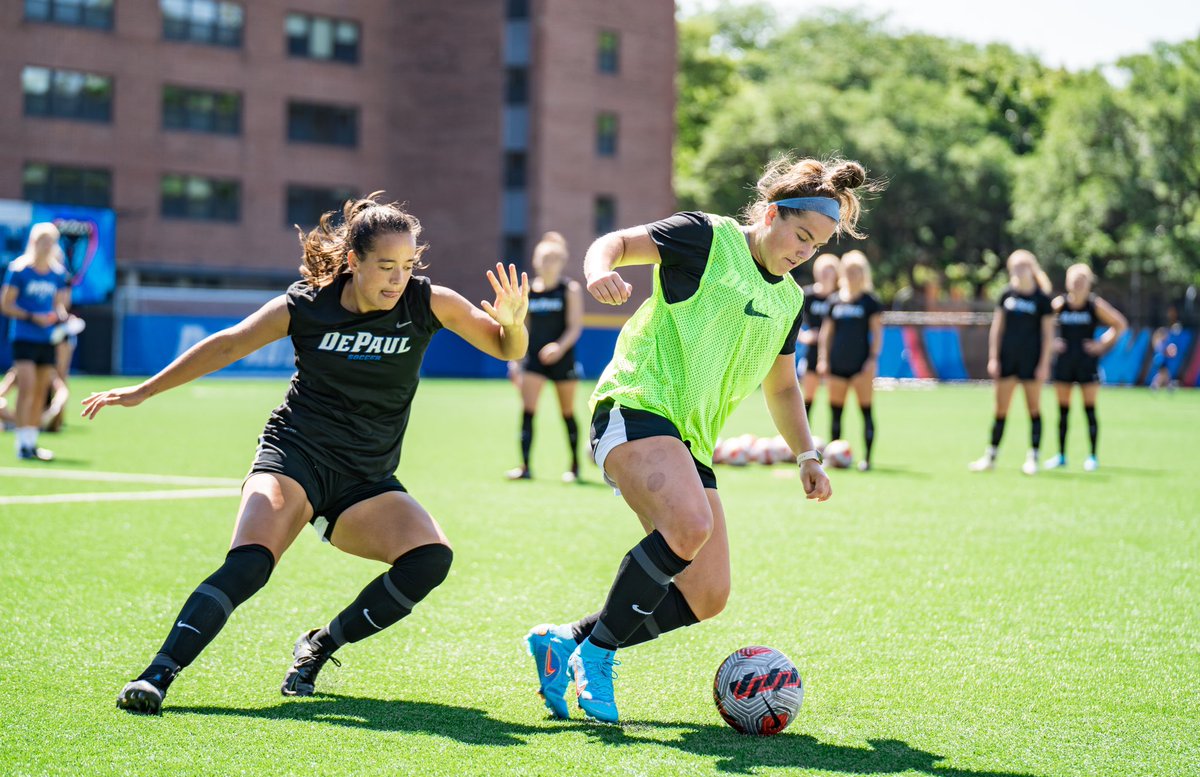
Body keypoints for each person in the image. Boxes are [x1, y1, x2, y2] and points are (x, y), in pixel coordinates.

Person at [81, 195, 529, 715]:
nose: (398, 279)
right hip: (294, 455)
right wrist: (143, 391)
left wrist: (514, 323)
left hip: (365, 478)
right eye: (386, 265)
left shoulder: (429, 303)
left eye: (408, 265)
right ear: (354, 261)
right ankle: (157, 675)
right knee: (251, 563)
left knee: (430, 559)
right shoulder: (307, 305)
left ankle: (320, 645)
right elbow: (227, 344)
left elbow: (508, 348)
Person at [524, 154, 873, 723]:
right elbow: (614, 243)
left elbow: (782, 387)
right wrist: (598, 271)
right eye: (801, 236)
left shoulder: (789, 300)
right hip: (636, 403)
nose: (804, 253)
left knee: (707, 595)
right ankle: (599, 654)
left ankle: (567, 642)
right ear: (771, 214)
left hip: (690, 441)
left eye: (815, 246)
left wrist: (807, 454)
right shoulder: (706, 237)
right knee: (688, 526)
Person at [505, 231, 584, 481]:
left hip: (563, 359)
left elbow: (574, 327)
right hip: (534, 360)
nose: (548, 264)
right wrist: (515, 361)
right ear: (536, 261)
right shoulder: (528, 291)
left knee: (567, 413)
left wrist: (558, 348)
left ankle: (574, 467)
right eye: (544, 259)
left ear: (562, 261)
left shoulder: (569, 289)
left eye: (553, 259)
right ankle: (525, 467)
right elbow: (522, 328)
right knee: (528, 411)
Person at [968, 250, 1055, 475]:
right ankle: (990, 456)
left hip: (1031, 360)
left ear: (1031, 268)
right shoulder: (1006, 294)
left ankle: (1033, 457)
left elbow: (1048, 335)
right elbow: (997, 328)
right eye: (1014, 267)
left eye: (1022, 266)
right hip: (1008, 359)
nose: (1018, 271)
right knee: (1000, 408)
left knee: (1033, 408)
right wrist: (994, 357)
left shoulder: (1042, 299)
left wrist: (1044, 363)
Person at [1044, 264, 1127, 471]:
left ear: (1089, 283)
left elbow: (1120, 324)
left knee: (1089, 410)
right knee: (1063, 411)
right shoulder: (1060, 304)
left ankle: (1092, 456)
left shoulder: (1094, 305)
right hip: (1064, 363)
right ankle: (1061, 455)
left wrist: (1101, 344)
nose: (1077, 284)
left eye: (1082, 280)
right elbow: (1039, 323)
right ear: (1067, 282)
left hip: (1086, 363)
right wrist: (1051, 343)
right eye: (1074, 280)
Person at [1, 223, 70, 460]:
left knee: (41, 391)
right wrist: (32, 317)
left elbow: (59, 304)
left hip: (47, 338)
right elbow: (6, 304)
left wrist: (60, 317)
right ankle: (21, 444)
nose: (47, 246)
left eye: (51, 241)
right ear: (34, 242)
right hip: (24, 336)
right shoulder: (19, 270)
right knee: (27, 387)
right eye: (43, 241)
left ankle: (31, 442)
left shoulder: (57, 273)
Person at [817, 250, 883, 471]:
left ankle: (867, 459)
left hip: (860, 366)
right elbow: (826, 334)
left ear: (864, 273)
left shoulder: (870, 301)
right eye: (849, 271)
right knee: (836, 412)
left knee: (866, 411)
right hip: (837, 364)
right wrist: (823, 359)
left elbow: (877, 333)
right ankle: (834, 458)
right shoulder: (834, 300)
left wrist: (872, 359)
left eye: (857, 271)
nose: (853, 275)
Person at [796, 253, 840, 416]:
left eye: (829, 270)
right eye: (822, 270)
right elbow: (791, 323)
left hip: (835, 352)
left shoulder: (841, 297)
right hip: (812, 352)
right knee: (807, 400)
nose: (826, 274)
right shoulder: (807, 296)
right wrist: (804, 336)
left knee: (836, 402)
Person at [1149, 305, 1185, 391]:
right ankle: (1156, 385)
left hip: (1160, 358)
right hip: (1160, 358)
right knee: (1163, 373)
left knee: (1165, 373)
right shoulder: (1161, 341)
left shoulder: (1163, 340)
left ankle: (1167, 386)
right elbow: (1163, 349)